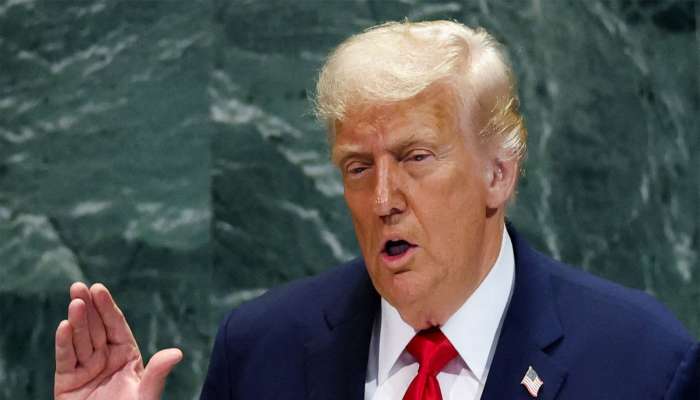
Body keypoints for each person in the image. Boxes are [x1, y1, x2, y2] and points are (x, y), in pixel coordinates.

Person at [54, 20, 699, 400]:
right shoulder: (260, 352)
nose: (384, 200)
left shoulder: (643, 364)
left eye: (416, 157)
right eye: (358, 167)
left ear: (498, 174)